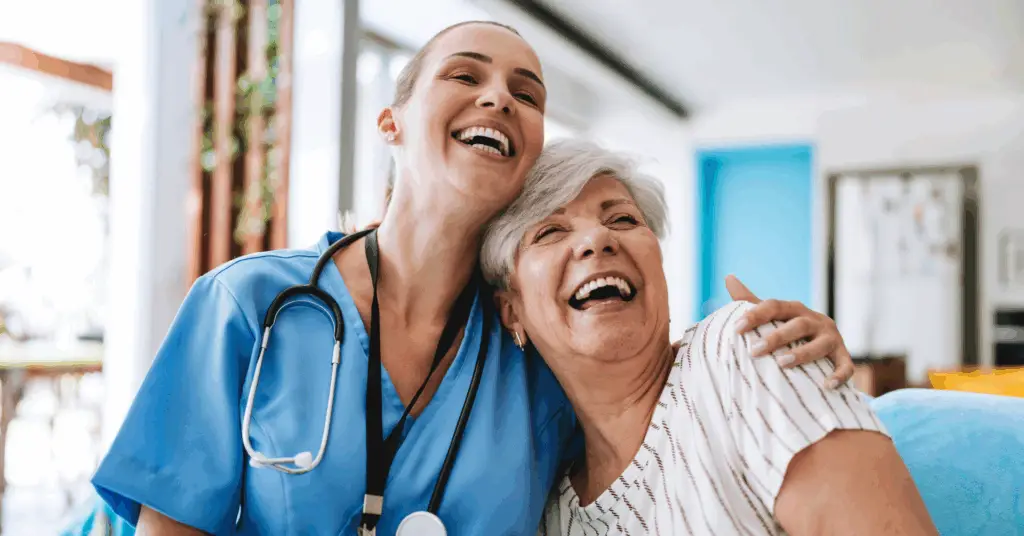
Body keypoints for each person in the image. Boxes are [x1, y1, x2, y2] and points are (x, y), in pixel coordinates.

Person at [92, 22, 857, 535]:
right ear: (391, 123)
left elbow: (644, 394)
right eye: (467, 75)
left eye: (527, 94)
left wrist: (770, 347)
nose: (500, 97)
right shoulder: (249, 305)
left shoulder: (531, 353)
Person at [483, 139, 938, 535]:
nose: (598, 240)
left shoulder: (742, 349)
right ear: (511, 310)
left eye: (622, 220)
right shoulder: (547, 511)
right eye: (550, 230)